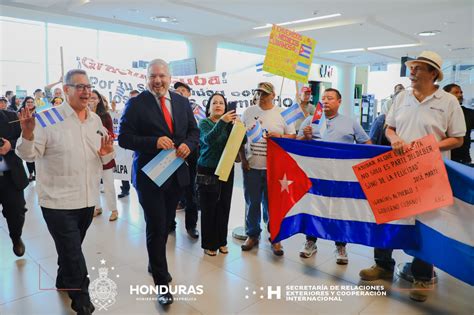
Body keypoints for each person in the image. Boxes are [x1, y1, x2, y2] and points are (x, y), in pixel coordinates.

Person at [359, 51, 466, 303]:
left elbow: (458, 138)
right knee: (389, 214)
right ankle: (383, 264)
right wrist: (395, 139)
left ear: (433, 73)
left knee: (426, 222)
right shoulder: (402, 97)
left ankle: (421, 276)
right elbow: (390, 127)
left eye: (418, 68)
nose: (412, 71)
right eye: (412, 67)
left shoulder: (448, 101)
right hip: (399, 168)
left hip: (431, 171)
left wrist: (429, 146)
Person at [16, 69, 114, 314]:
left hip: (88, 198)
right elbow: (28, 154)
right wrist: (27, 133)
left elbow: (104, 156)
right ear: (66, 90)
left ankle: (63, 280)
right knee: (72, 251)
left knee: (71, 249)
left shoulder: (95, 121)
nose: (86, 91)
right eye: (79, 86)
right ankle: (82, 299)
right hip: (57, 201)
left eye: (88, 86)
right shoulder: (48, 118)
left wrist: (106, 155)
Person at [118, 59, 199, 306]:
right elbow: (124, 138)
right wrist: (153, 142)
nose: (158, 81)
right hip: (149, 177)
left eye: (162, 76)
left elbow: (194, 132)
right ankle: (162, 284)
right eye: (153, 76)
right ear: (146, 78)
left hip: (175, 175)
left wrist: (188, 144)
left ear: (169, 76)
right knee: (156, 225)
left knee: (165, 226)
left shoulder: (183, 102)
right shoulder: (135, 104)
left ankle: (155, 262)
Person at [297, 88, 371, 263]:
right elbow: (296, 146)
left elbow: (367, 144)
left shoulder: (350, 123)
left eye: (330, 98)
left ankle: (341, 246)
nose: (326, 101)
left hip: (341, 178)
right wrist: (306, 138)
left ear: (339, 101)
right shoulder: (310, 121)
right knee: (314, 207)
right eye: (323, 98)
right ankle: (310, 242)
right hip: (316, 175)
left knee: (340, 210)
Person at [240, 82, 296, 256]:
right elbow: (240, 138)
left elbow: (292, 136)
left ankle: (275, 237)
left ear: (273, 95)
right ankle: (252, 234)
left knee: (272, 204)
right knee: (252, 202)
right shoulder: (249, 112)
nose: (261, 97)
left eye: (265, 93)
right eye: (259, 93)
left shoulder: (282, 114)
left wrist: (279, 136)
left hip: (274, 168)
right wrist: (243, 159)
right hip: (252, 166)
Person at [197, 93, 238, 256]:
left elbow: (240, 142)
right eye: (215, 103)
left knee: (224, 205)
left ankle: (222, 241)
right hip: (208, 169)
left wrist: (239, 128)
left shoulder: (229, 124)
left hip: (227, 168)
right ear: (209, 108)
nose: (219, 105)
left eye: (222, 103)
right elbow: (208, 140)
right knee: (209, 207)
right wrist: (222, 122)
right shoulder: (204, 123)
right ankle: (209, 243)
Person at [169, 81, 199, 238]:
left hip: (190, 157)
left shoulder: (196, 110)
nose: (179, 92)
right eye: (176, 90)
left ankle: (191, 226)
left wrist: (187, 146)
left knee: (190, 193)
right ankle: (170, 223)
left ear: (188, 93)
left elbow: (195, 132)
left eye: (183, 90)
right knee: (171, 192)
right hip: (171, 157)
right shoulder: (168, 108)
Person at [0, 105, 29, 258]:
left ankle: (16, 237)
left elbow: (25, 139)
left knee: (17, 212)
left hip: (10, 176)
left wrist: (10, 145)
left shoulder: (11, 118)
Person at [89, 90, 119, 221]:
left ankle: (114, 210)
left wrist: (104, 137)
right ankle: (97, 207)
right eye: (89, 98)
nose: (91, 100)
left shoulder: (105, 115)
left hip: (105, 154)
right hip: (90, 156)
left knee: (108, 184)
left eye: (94, 98)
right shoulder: (83, 116)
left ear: (99, 100)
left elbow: (111, 134)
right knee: (93, 183)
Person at [443, 84, 473, 165]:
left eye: (461, 92)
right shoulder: (438, 113)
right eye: (456, 92)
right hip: (442, 159)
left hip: (463, 161)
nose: (460, 95)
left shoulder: (469, 113)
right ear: (446, 95)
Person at [117, 90, 139, 199]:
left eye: (135, 98)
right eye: (131, 98)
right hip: (127, 145)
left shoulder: (145, 112)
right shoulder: (124, 110)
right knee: (124, 166)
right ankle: (125, 189)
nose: (133, 100)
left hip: (138, 145)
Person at [19, 97, 36, 181]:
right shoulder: (20, 113)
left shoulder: (38, 113)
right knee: (28, 158)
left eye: (31, 102)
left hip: (36, 138)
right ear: (25, 103)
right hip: (25, 138)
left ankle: (37, 174)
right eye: (28, 102)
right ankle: (30, 174)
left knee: (36, 159)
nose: (29, 103)